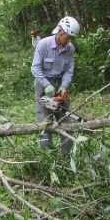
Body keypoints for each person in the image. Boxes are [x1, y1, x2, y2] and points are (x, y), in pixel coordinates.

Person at [31, 16, 80, 154]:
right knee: (45, 121)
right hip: (43, 83)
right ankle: (47, 155)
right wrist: (46, 85)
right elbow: (35, 68)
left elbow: (69, 71)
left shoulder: (70, 48)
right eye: (68, 37)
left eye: (71, 38)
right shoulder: (43, 44)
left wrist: (64, 86)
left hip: (60, 83)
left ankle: (67, 154)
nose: (69, 40)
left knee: (65, 119)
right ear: (60, 32)